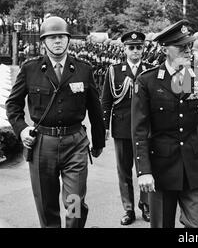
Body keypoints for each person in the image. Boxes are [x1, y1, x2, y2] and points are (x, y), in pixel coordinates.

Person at [6, 16, 105, 228]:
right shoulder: (30, 69)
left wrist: (98, 142)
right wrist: (22, 130)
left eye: (61, 37)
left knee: (75, 202)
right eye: (52, 38)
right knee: (46, 203)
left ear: (68, 40)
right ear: (43, 42)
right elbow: (12, 105)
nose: (57, 41)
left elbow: (95, 110)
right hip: (43, 144)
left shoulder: (83, 69)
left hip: (75, 143)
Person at [132, 20, 198, 228]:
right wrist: (144, 171)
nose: (188, 51)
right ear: (164, 50)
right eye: (181, 47)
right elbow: (139, 130)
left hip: (193, 166)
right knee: (161, 224)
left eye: (189, 46)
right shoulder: (148, 81)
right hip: (161, 168)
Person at [102, 31, 152, 225]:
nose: (135, 51)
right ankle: (129, 209)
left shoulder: (149, 70)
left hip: (145, 128)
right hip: (122, 126)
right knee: (124, 170)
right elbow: (106, 100)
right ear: (124, 49)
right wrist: (104, 126)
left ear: (143, 50)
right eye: (131, 47)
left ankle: (145, 205)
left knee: (145, 167)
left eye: (139, 47)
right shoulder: (114, 71)